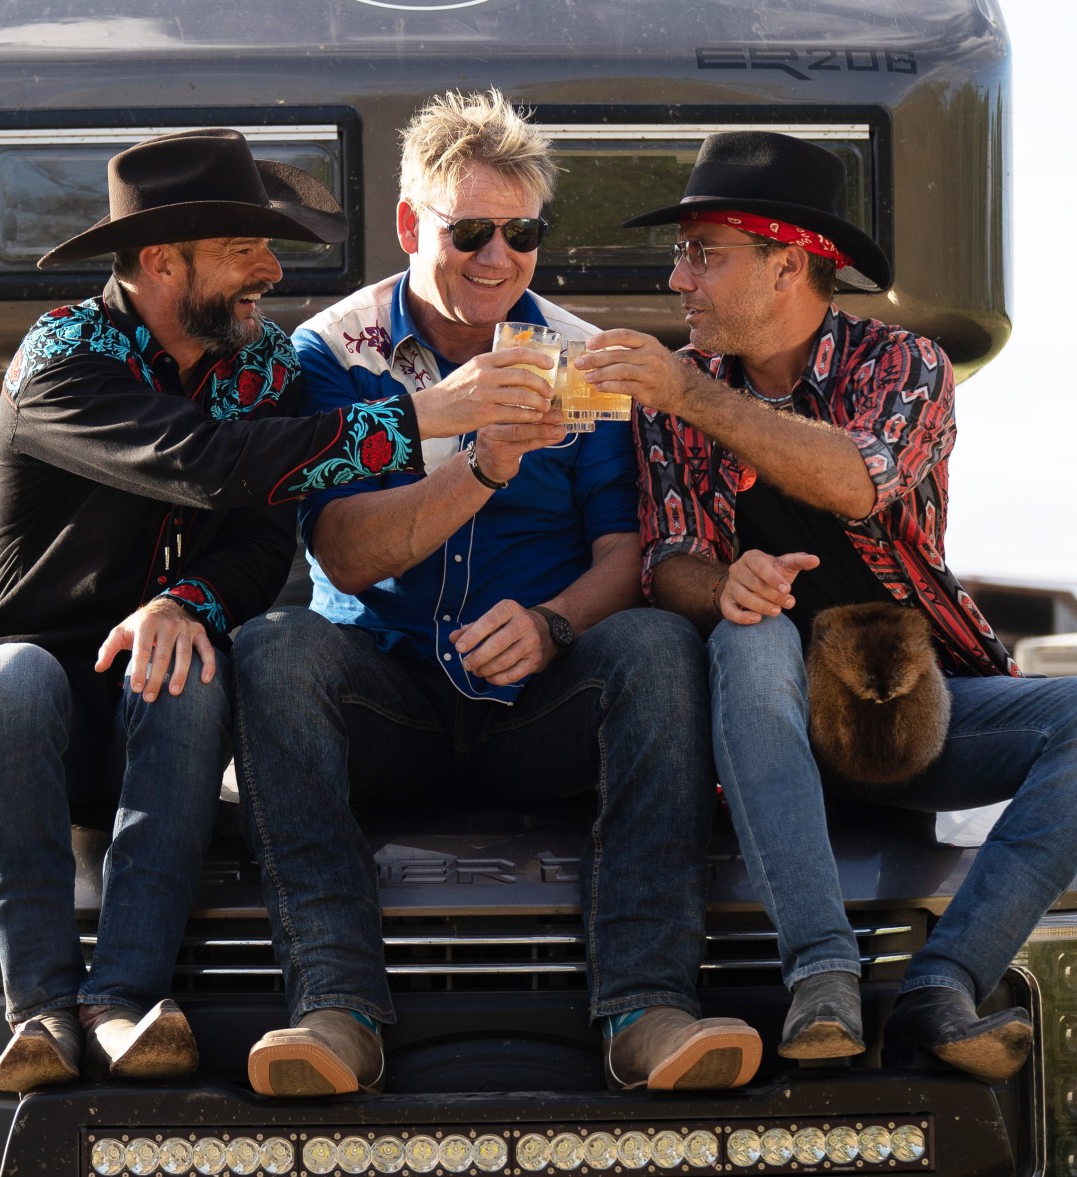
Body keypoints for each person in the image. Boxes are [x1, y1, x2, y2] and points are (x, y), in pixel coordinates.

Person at [0, 128, 548, 1093]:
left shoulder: (263, 362)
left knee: (190, 669)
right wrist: (427, 416)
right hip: (30, 694)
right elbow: (203, 462)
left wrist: (187, 602)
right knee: (13, 679)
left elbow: (266, 534)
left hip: (149, 696)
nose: (272, 269)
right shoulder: (61, 356)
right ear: (158, 261)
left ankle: (125, 1002)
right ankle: (42, 1012)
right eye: (244, 249)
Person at [584, 131, 1077, 1082]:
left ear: (787, 265)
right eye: (682, 254)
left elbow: (856, 481)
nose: (679, 279)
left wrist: (692, 394)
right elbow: (667, 559)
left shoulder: (907, 367)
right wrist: (720, 582)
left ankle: (942, 985)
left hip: (914, 713)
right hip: (759, 730)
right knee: (750, 636)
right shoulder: (665, 399)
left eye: (704, 254)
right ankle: (822, 972)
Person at [232, 90, 761, 1098]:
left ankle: (649, 1010)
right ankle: (335, 1011)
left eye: (521, 234)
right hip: (389, 701)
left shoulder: (579, 352)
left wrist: (555, 624)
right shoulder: (333, 354)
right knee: (273, 647)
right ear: (408, 226)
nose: (496, 257)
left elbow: (629, 552)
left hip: (538, 709)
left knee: (656, 642)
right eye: (468, 230)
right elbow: (342, 556)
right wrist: (475, 462)